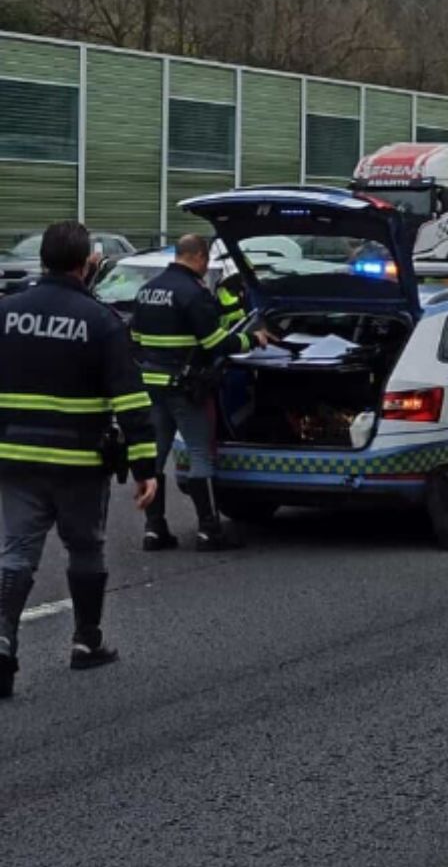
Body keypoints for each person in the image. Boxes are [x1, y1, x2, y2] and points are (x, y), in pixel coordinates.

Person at [0, 221, 158, 698]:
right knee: (85, 546)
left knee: (17, 550)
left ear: (43, 258)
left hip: (14, 458)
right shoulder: (101, 321)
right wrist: (148, 468)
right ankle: (86, 642)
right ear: (86, 263)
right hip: (77, 462)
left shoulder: (6, 312)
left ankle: (3, 641)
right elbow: (131, 402)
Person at [131, 234, 267, 553]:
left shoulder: (147, 291)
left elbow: (135, 337)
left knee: (155, 456)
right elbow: (214, 343)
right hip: (186, 387)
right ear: (199, 257)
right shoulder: (192, 292)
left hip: (151, 385)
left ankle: (154, 529)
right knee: (199, 453)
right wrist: (254, 340)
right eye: (206, 261)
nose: (206, 267)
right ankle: (209, 531)